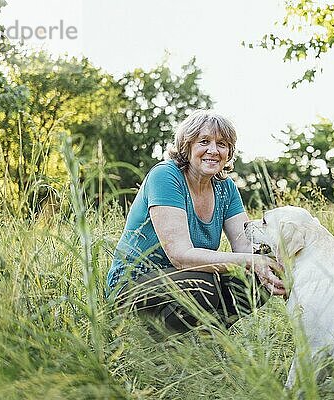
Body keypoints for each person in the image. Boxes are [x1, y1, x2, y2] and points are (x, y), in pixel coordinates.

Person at [107, 109, 285, 333]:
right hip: (134, 284)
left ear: (229, 152)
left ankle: (207, 339)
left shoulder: (225, 188)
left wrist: (276, 264)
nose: (213, 150)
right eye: (204, 141)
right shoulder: (165, 175)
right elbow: (180, 256)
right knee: (203, 284)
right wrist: (252, 261)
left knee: (255, 281)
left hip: (184, 281)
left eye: (222, 144)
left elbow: (245, 245)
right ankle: (155, 344)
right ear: (187, 146)